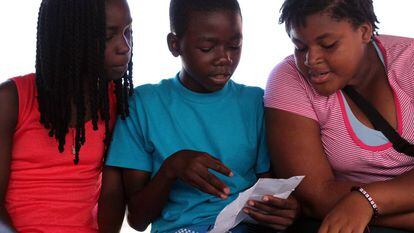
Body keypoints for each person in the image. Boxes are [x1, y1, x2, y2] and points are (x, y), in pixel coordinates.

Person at [98, 0, 299, 232]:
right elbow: (138, 219)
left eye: (234, 46)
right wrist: (171, 169)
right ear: (175, 45)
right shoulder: (143, 105)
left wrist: (287, 209)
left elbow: (271, 187)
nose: (224, 58)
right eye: (207, 48)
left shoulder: (255, 101)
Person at [264, 0, 414, 232]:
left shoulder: (410, 62)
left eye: (328, 45)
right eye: (300, 47)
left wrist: (366, 200)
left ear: (364, 31)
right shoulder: (289, 80)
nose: (310, 60)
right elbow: (315, 197)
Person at [0, 0, 133, 232]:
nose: (124, 46)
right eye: (108, 36)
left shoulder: (117, 103)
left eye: (127, 32)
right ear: (71, 39)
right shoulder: (11, 99)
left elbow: (112, 198)